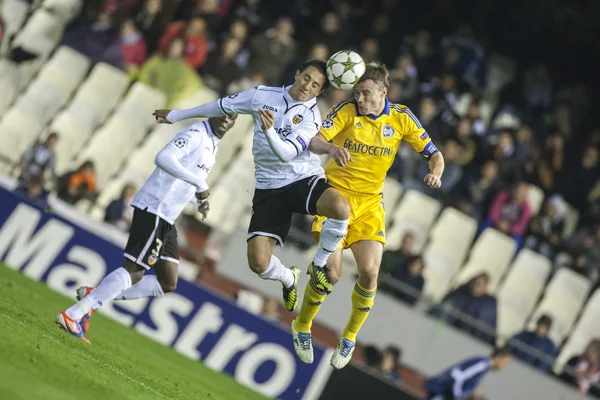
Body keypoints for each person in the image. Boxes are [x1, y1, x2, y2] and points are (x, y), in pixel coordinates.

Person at [152, 60, 351, 316]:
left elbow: (286, 153)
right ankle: (288, 278)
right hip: (269, 186)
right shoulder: (262, 95)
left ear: (319, 91)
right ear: (297, 73)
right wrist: (176, 114)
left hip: (301, 178)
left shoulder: (312, 115)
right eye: (306, 78)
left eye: (315, 85)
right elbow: (221, 105)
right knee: (258, 263)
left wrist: (268, 130)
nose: (307, 87)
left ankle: (320, 263)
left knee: (340, 207)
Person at [291, 63, 444, 369]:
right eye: (356, 92)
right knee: (331, 274)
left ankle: (349, 336)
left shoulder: (401, 117)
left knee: (371, 273)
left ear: (383, 92)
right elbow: (314, 139)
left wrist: (436, 173)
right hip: (334, 198)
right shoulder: (346, 111)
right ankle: (302, 326)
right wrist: (331, 149)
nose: (359, 98)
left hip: (370, 205)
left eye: (366, 93)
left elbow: (434, 154)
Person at [56, 114, 238, 343]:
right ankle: (74, 313)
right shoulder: (197, 134)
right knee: (134, 271)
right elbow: (164, 158)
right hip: (156, 206)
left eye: (232, 117)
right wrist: (200, 184)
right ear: (213, 111)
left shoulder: (213, 145)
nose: (225, 118)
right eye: (223, 112)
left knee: (167, 282)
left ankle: (96, 294)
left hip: (168, 217)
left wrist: (197, 200)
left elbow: (186, 180)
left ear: (233, 125)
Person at [424, 348, 512, 400]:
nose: (504, 366)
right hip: (443, 392)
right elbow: (458, 375)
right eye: (506, 362)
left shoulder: (484, 367)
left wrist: (471, 391)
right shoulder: (483, 364)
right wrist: (457, 394)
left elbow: (466, 378)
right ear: (500, 358)